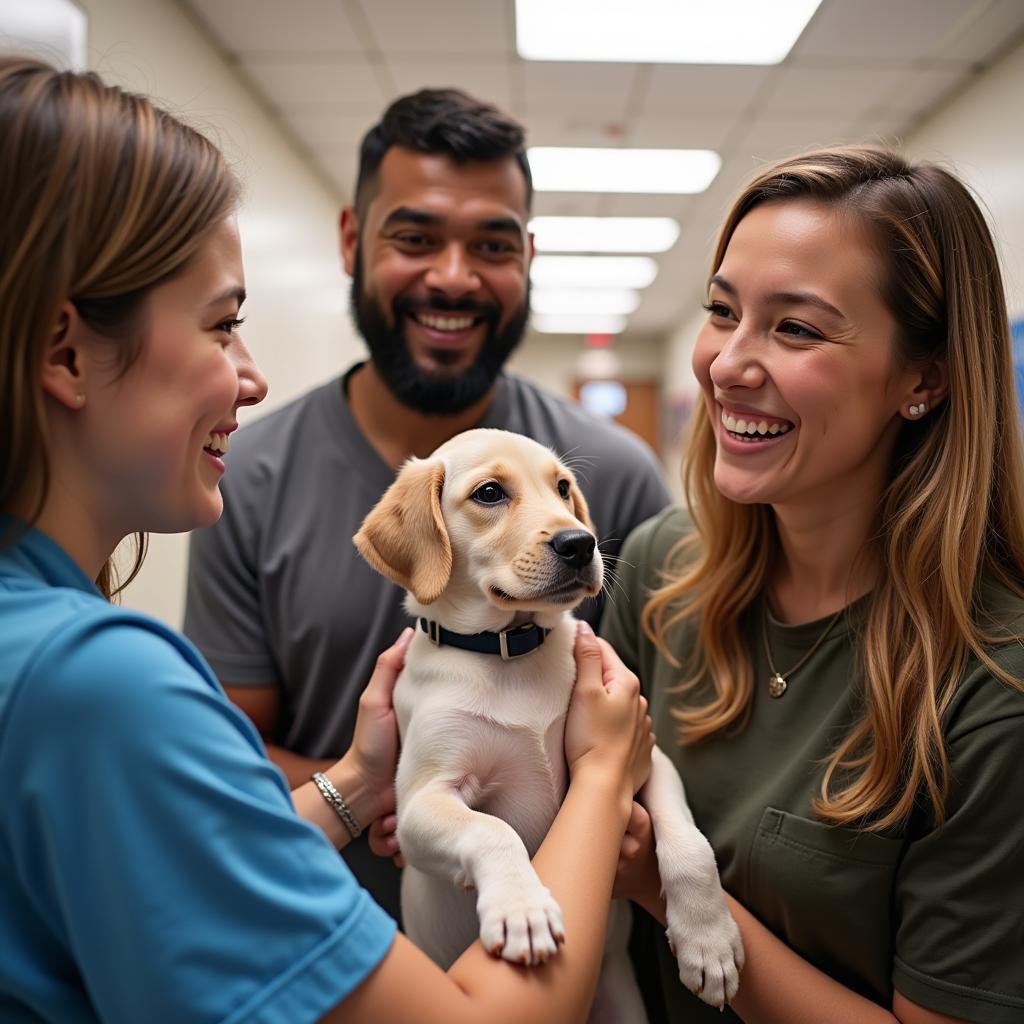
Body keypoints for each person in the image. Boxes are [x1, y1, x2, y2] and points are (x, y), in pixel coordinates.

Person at [0, 57, 656, 1024]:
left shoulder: (47, 636)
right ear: (66, 352)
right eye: (223, 326)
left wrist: (356, 780)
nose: (250, 377)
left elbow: (195, 851)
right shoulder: (102, 681)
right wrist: (600, 773)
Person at [182, 86, 672, 917]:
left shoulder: (610, 481)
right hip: (328, 934)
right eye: (414, 238)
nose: (453, 278)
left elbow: (651, 732)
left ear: (527, 257)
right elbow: (233, 750)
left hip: (575, 949)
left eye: (491, 244)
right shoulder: (241, 473)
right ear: (351, 240)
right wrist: (402, 792)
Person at [603, 145, 1024, 1024]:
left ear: (924, 378)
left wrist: (663, 884)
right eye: (723, 312)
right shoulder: (660, 569)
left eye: (795, 328)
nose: (726, 364)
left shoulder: (992, 691)